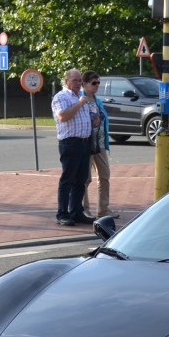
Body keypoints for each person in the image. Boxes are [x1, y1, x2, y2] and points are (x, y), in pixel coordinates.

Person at [50, 68, 97, 226]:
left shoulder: (81, 97)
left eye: (79, 81)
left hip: (84, 142)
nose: (78, 83)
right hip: (70, 143)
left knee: (81, 180)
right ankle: (62, 214)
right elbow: (63, 116)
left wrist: (94, 118)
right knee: (67, 180)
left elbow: (87, 117)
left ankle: (76, 212)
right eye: (75, 80)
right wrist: (80, 103)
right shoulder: (61, 97)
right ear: (67, 81)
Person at [79, 71, 118, 219]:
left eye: (98, 83)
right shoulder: (80, 99)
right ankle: (84, 209)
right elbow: (79, 118)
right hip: (86, 142)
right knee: (85, 178)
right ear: (84, 84)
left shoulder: (97, 100)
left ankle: (103, 209)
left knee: (105, 175)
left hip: (100, 142)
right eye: (93, 83)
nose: (97, 86)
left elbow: (102, 118)